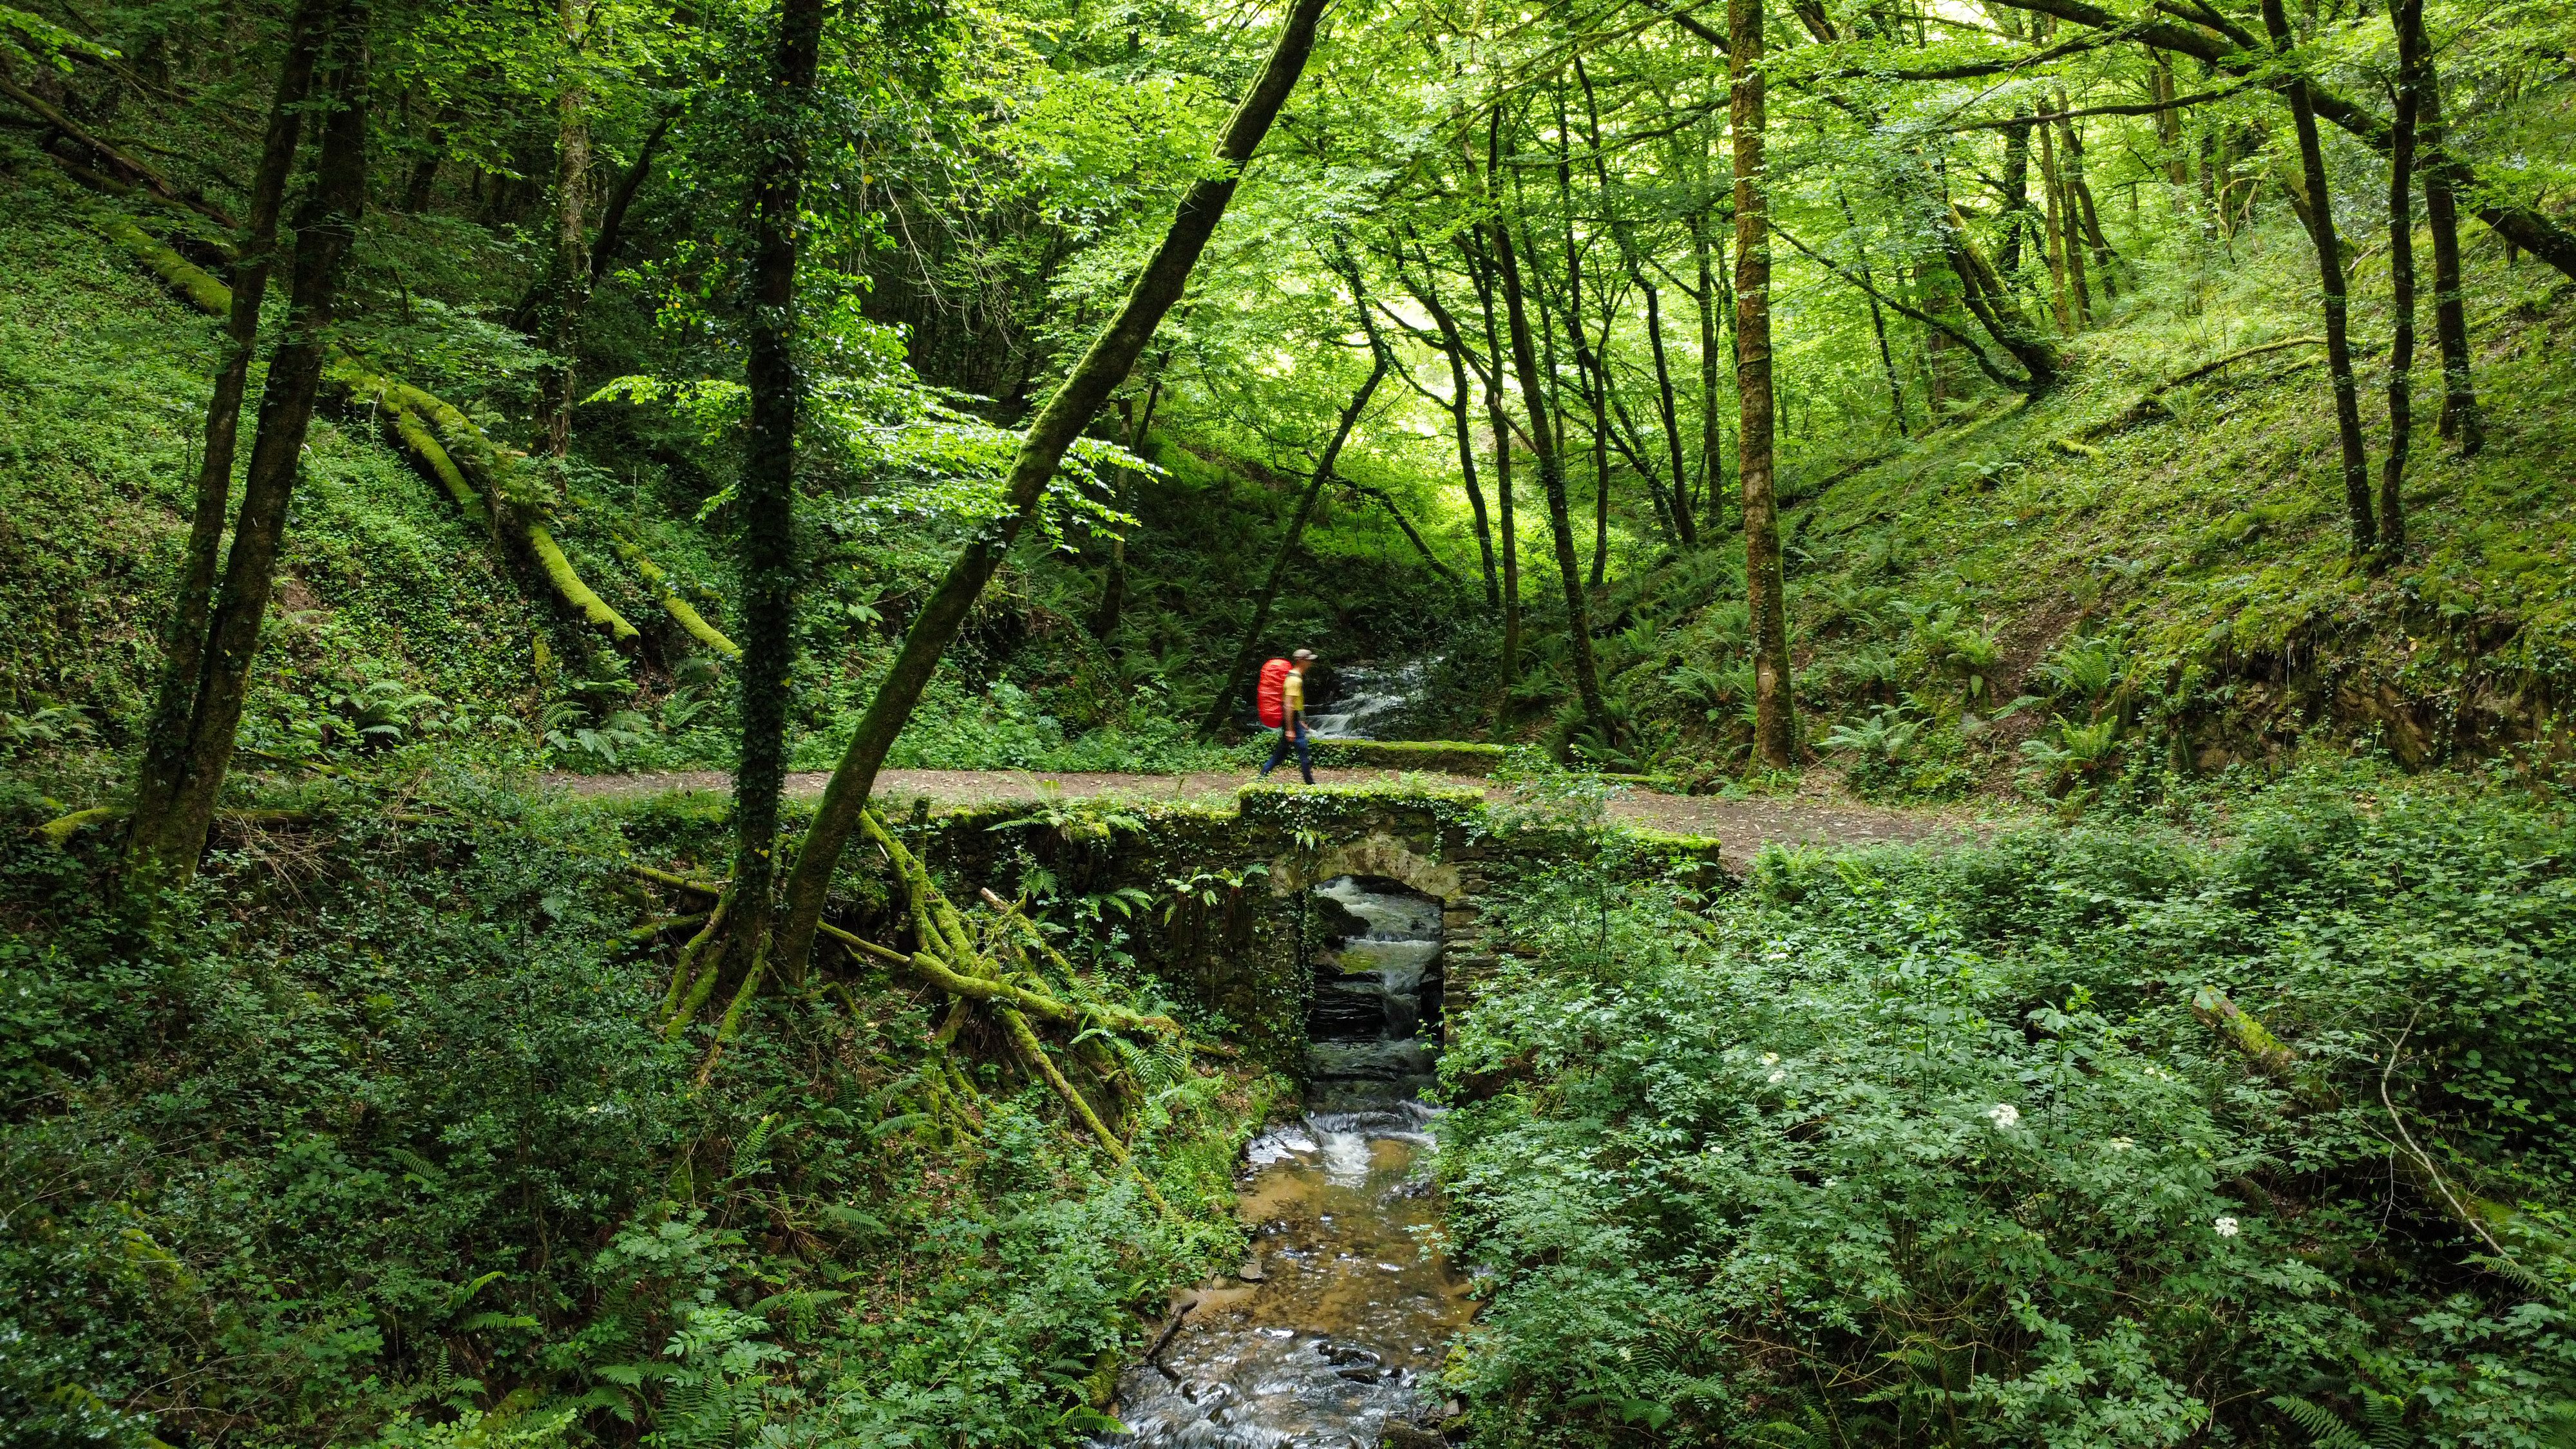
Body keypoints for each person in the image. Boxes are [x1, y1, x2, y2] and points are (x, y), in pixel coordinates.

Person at [1258, 649, 1316, 784]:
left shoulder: (1295, 677)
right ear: (1301, 661)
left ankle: (1261, 779)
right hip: (1290, 720)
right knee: (1303, 750)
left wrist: (1300, 720)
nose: (1310, 663)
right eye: (1308, 660)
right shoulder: (1294, 680)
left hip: (1293, 719)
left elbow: (1295, 704)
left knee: (1280, 754)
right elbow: (1288, 705)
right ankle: (1310, 784)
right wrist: (1290, 728)